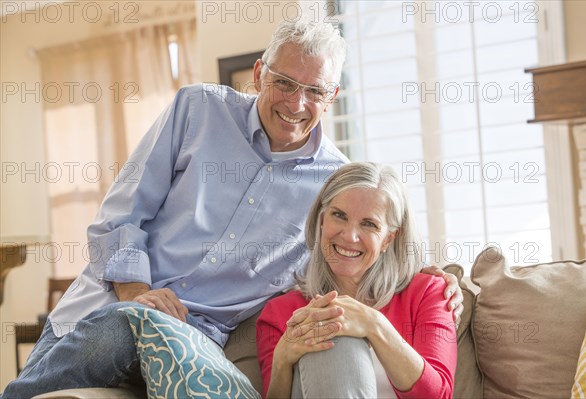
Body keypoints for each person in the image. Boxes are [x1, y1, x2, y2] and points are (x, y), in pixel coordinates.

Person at [2, 19, 461, 398]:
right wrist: (137, 293)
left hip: (191, 345)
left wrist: (440, 277)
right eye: (284, 83)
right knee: (116, 332)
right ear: (260, 74)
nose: (297, 104)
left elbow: (361, 242)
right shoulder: (197, 109)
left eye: (314, 91)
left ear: (332, 96)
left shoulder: (333, 185)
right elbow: (121, 215)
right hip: (105, 314)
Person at [257, 162, 457, 399]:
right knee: (330, 329)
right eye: (339, 216)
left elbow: (438, 396)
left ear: (388, 240)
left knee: (332, 325)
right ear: (322, 220)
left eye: (369, 224)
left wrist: (375, 325)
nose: (349, 236)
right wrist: (282, 360)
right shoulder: (280, 314)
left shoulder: (429, 292)